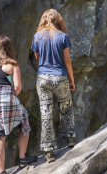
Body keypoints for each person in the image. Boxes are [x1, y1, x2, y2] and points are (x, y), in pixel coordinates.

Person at [0, 36, 38, 172]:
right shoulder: (12, 64)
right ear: (9, 48)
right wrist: (10, 98)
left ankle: (1, 171)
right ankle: (22, 159)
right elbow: (17, 87)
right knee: (24, 121)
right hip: (8, 99)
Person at [30, 9, 76, 161]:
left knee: (46, 113)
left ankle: (48, 151)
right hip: (59, 77)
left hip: (42, 78)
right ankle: (70, 137)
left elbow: (37, 57)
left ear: (43, 20)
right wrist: (72, 79)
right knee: (66, 105)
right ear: (58, 20)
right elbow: (67, 60)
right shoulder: (63, 37)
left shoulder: (37, 37)